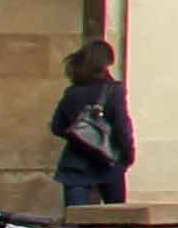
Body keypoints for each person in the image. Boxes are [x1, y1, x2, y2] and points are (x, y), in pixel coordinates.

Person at [49, 38, 135, 210]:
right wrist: (127, 155)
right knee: (118, 219)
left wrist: (81, 135)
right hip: (109, 162)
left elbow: (57, 127)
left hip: (75, 164)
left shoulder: (72, 92)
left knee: (76, 222)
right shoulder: (114, 91)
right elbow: (122, 128)